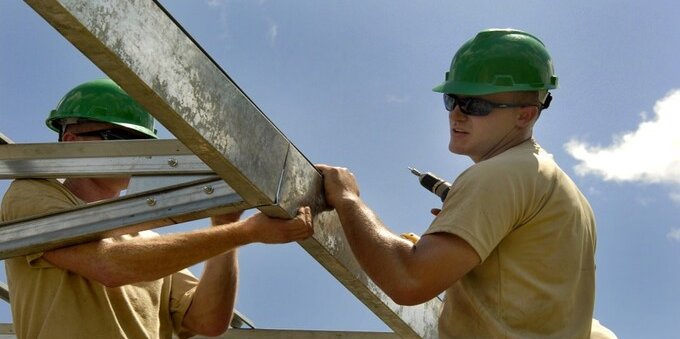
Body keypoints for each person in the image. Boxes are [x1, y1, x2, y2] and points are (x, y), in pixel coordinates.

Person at [318, 29, 612, 338]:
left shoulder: (500, 175)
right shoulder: (559, 189)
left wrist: (347, 199)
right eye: (452, 100)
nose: (457, 115)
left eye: (476, 105)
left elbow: (409, 281)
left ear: (525, 115)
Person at [1, 78, 314, 338]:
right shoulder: (33, 193)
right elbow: (107, 265)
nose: (134, 152)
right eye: (119, 137)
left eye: (140, 141)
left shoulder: (147, 239)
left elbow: (207, 320)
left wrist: (224, 225)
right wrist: (243, 233)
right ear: (71, 141)